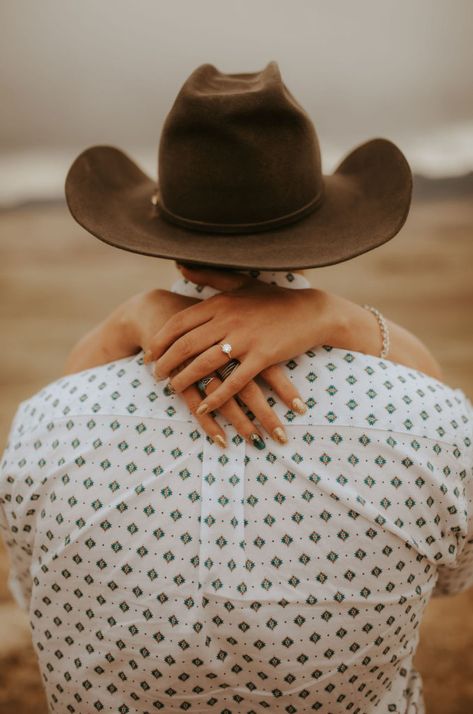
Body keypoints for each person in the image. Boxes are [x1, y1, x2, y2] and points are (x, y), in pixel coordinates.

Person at [1, 62, 472, 714]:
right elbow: (451, 572)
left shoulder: (49, 425)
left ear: (171, 245)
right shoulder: (430, 422)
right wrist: (342, 317)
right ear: (315, 242)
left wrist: (125, 320)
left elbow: (34, 576)